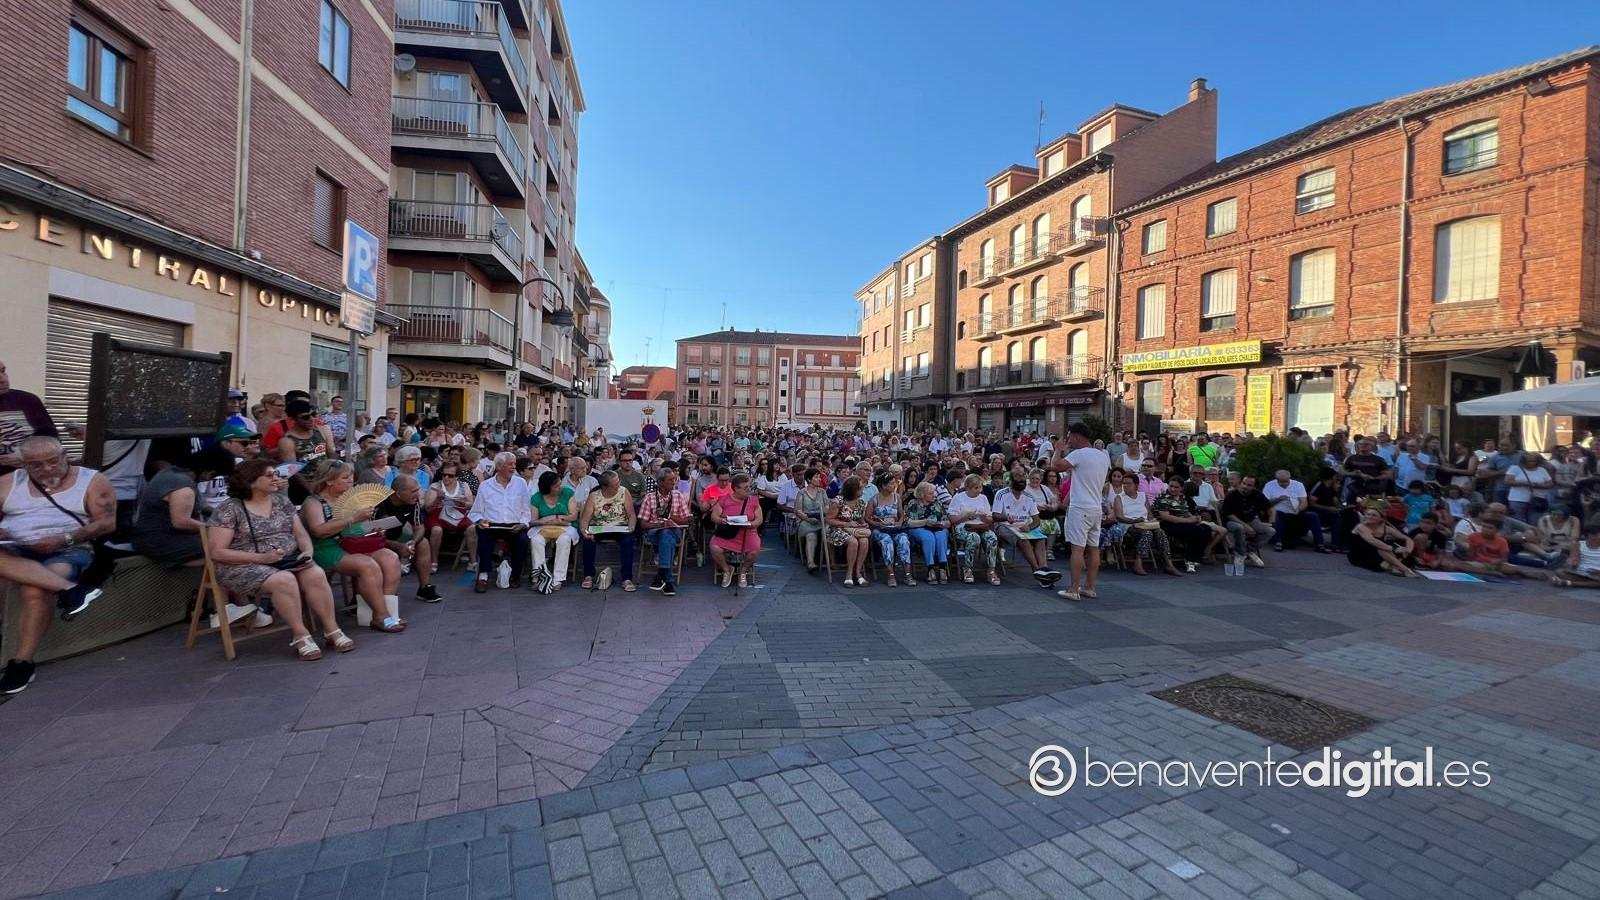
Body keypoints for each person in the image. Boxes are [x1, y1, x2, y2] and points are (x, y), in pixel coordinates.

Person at [0, 436, 116, 692]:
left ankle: (22, 663)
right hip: (15, 548)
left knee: (36, 588)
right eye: (36, 465)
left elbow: (107, 523)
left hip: (69, 547)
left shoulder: (92, 480)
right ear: (24, 465)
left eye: (53, 461)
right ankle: (73, 590)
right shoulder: (9, 482)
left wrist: (66, 538)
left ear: (65, 456)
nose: (47, 469)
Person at [207, 458, 349, 660]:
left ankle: (332, 630)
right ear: (251, 481)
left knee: (315, 573)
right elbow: (217, 552)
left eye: (276, 474)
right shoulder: (230, 508)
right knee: (284, 579)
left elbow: (300, 534)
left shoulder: (281, 501)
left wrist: (307, 551)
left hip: (284, 559)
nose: (276, 478)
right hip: (241, 565)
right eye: (270, 475)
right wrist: (262, 558)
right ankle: (301, 635)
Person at [300, 460, 406, 633]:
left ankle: (385, 612)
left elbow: (358, 529)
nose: (351, 480)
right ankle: (381, 615)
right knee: (368, 565)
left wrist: (373, 528)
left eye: (351, 476)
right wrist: (353, 518)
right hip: (327, 546)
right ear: (329, 480)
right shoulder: (314, 502)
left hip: (354, 542)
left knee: (391, 558)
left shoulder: (350, 498)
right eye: (345, 477)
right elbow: (318, 531)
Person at [1049, 422, 1109, 601]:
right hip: (1096, 507)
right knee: (1093, 548)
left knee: (1077, 549)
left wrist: (1058, 449)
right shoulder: (1103, 456)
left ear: (1076, 436)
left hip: (1080, 508)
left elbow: (1055, 466)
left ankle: (1074, 589)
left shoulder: (1079, 454)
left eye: (1069, 437)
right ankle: (1089, 587)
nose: (1068, 440)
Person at [467, 451, 532, 593]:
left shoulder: (520, 483)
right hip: (491, 525)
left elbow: (526, 510)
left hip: (514, 525)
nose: (514, 467)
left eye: (514, 464)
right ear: (499, 467)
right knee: (483, 534)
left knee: (522, 540)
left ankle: (515, 575)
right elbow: (475, 512)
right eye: (510, 464)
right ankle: (483, 575)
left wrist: (523, 523)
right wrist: (480, 521)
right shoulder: (485, 485)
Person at [375, 473, 441, 603]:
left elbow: (419, 527)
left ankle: (424, 588)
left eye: (418, 490)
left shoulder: (413, 502)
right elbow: (370, 536)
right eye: (413, 491)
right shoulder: (379, 504)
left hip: (396, 537)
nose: (418, 495)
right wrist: (397, 546)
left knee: (423, 542)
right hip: (375, 542)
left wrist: (412, 542)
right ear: (398, 493)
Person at [130, 460, 207, 570]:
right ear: (207, 472)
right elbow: (181, 522)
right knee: (220, 545)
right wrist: (211, 528)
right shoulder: (183, 486)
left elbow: (203, 507)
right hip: (158, 542)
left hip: (146, 538)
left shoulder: (168, 474)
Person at [992, 472, 1056, 585]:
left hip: (1024, 526)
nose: (1021, 481)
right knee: (1023, 540)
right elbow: (995, 516)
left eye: (1022, 478)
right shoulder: (1001, 494)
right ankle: (1037, 571)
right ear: (1011, 481)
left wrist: (1029, 527)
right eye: (1017, 478)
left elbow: (1036, 520)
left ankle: (1044, 569)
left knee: (1041, 538)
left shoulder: (1029, 497)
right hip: (1004, 525)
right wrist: (1006, 517)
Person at [1111, 474, 1182, 577]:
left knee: (1160, 532)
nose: (1125, 485)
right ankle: (1138, 562)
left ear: (1136, 485)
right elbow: (1119, 517)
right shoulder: (1119, 498)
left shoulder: (1142, 496)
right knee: (1147, 533)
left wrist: (1152, 521)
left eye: (1128, 483)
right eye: (1124, 483)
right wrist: (1134, 521)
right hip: (1128, 525)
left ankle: (1169, 564)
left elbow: (1149, 515)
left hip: (1144, 524)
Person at [578, 469, 637, 591]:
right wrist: (585, 531)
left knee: (628, 541)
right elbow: (585, 519)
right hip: (599, 527)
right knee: (588, 540)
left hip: (620, 527)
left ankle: (626, 578)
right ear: (605, 487)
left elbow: (631, 514)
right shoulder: (594, 496)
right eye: (615, 484)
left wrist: (631, 526)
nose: (618, 485)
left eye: (618, 482)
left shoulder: (623, 491)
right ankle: (588, 575)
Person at [0, 360, 59, 474]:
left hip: (35, 476)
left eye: (3, 371)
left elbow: (51, 439)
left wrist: (27, 455)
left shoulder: (27, 400)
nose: (3, 379)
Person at [640, 463, 690, 595]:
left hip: (675, 530)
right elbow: (643, 524)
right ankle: (667, 580)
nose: (674, 482)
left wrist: (673, 518)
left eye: (674, 479)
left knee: (667, 534)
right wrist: (659, 525)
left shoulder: (678, 495)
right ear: (661, 482)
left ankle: (662, 576)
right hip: (655, 531)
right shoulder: (650, 497)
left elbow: (687, 520)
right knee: (666, 536)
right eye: (670, 480)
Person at [709, 472, 762, 588]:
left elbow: (759, 519)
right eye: (745, 488)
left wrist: (751, 524)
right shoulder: (724, 500)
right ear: (736, 489)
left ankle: (743, 571)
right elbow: (714, 516)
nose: (749, 490)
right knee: (715, 547)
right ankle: (727, 570)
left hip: (748, 532)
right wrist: (722, 520)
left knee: (754, 550)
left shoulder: (754, 500)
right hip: (729, 532)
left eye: (749, 487)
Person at [1155, 477, 1224, 566]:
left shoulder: (1182, 498)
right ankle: (1190, 559)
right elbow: (1166, 517)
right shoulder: (1163, 498)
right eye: (1171, 486)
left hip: (1183, 522)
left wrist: (1194, 518)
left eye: (1176, 487)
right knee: (1196, 530)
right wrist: (1188, 520)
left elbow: (1185, 511)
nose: (1172, 489)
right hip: (1169, 524)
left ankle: (1195, 557)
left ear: (1181, 488)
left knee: (1206, 529)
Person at [948, 474, 1000, 585]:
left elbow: (990, 519)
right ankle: (968, 568)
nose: (979, 490)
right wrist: (965, 516)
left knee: (992, 537)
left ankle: (991, 570)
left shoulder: (983, 498)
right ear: (967, 487)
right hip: (963, 526)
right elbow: (952, 519)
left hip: (980, 526)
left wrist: (983, 517)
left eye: (980, 487)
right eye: (976, 488)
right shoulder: (958, 497)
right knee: (973, 537)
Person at [530, 470, 578, 589]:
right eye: (556, 486)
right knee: (536, 540)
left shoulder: (567, 493)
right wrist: (544, 521)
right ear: (547, 488)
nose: (559, 487)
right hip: (543, 527)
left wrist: (555, 517)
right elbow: (533, 520)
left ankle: (558, 578)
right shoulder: (536, 497)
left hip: (565, 526)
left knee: (564, 540)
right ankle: (539, 577)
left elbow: (573, 516)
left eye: (559, 484)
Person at [1263, 469, 1326, 552]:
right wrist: (1278, 499)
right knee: (1277, 513)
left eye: (1286, 481)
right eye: (1281, 482)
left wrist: (1299, 509)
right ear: (1276, 480)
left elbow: (1304, 502)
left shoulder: (1298, 485)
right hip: (1279, 513)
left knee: (1313, 516)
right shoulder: (1269, 485)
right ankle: (1278, 542)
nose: (1284, 484)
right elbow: (1264, 503)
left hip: (1295, 512)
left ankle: (1320, 544)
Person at [827, 476, 874, 586]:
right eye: (860, 489)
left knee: (864, 541)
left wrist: (863, 524)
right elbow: (829, 519)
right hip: (837, 529)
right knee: (853, 542)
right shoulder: (838, 501)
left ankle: (858, 572)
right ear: (853, 489)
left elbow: (859, 518)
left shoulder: (860, 502)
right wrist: (847, 524)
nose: (862, 491)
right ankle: (849, 573)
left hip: (853, 529)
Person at [1348, 508, 1419, 577]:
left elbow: (1407, 538)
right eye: (1368, 514)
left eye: (1374, 515)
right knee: (1382, 548)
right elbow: (1372, 541)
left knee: (1387, 548)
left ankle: (1392, 565)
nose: (1369, 517)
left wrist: (1408, 550)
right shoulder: (1361, 527)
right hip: (1360, 555)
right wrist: (1394, 549)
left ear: (1381, 519)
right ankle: (1405, 569)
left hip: (1376, 553)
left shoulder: (1386, 528)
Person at [1222, 475, 1274, 566]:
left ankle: (1249, 550)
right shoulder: (1232, 495)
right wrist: (1246, 526)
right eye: (1244, 483)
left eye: (1249, 485)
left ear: (1254, 487)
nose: (1245, 486)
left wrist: (1272, 522)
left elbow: (1270, 508)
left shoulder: (1257, 494)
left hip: (1251, 520)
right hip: (1232, 521)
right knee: (1240, 528)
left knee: (1270, 531)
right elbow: (1229, 515)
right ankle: (1240, 554)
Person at [905, 480, 950, 583]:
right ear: (922, 494)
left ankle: (943, 568)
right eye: (930, 493)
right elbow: (909, 522)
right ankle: (930, 569)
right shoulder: (913, 503)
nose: (934, 495)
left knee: (941, 536)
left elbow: (947, 521)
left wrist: (941, 524)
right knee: (928, 537)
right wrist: (925, 522)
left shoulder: (937, 502)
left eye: (934, 492)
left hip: (937, 528)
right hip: (919, 528)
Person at [794, 468, 830, 574]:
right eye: (816, 477)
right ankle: (811, 563)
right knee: (811, 535)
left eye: (819, 477)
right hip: (806, 521)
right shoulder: (802, 493)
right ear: (809, 479)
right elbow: (798, 510)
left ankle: (830, 560)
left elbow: (827, 506)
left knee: (828, 531)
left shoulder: (822, 492)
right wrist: (808, 519)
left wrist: (823, 513)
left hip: (821, 520)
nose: (819, 479)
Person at [1504, 452, 1553, 522]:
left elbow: (1550, 484)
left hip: (1537, 500)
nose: (1532, 463)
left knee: (1535, 520)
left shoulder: (1542, 470)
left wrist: (1538, 485)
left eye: (1534, 461)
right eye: (1529, 461)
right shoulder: (1515, 468)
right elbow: (1508, 481)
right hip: (1518, 499)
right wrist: (1525, 483)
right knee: (1518, 520)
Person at [1551, 523, 1600, 588]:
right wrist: (1572, 562)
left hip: (1598, 573)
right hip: (1582, 572)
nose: (1595, 538)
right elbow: (1573, 559)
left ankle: (1571, 583)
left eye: (1597, 535)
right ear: (1587, 536)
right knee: (1559, 572)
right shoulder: (1579, 545)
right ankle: (1591, 582)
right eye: (1593, 536)